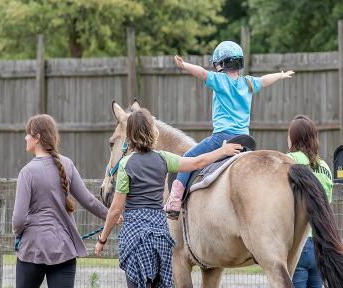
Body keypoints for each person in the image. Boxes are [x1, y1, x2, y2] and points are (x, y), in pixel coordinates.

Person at [94, 108, 242, 288]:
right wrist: (222, 150)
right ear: (153, 132)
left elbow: (116, 209)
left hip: (135, 238)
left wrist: (102, 239)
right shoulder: (164, 159)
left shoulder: (126, 165)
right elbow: (197, 161)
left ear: (129, 136)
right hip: (160, 237)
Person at [164, 40, 295, 220]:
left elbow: (202, 73)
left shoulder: (219, 80)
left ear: (221, 64)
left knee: (187, 158)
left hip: (222, 138)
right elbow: (264, 80)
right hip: (245, 141)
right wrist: (280, 75)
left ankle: (175, 201)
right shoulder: (248, 83)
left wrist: (184, 64)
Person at [12, 114, 110, 288]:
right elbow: (88, 200)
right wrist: (110, 216)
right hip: (63, 249)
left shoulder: (26, 173)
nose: (25, 137)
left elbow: (18, 219)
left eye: (28, 133)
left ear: (37, 138)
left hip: (32, 249)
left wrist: (18, 234)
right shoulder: (67, 164)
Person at [288, 115, 333, 288]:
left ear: (294, 137)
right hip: (320, 245)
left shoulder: (290, 160)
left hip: (299, 242)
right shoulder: (325, 166)